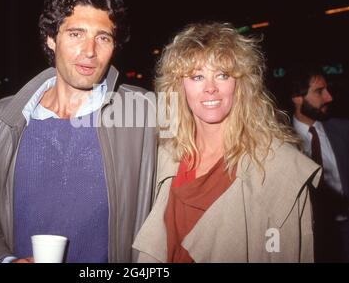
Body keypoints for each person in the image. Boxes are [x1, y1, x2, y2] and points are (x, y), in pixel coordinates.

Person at [0, 0, 157, 263]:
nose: (89, 50)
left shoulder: (144, 113)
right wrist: (3, 260)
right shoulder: (2, 119)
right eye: (76, 34)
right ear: (51, 39)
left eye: (103, 37)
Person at [132, 22, 322, 262]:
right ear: (179, 87)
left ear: (241, 84)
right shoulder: (164, 155)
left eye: (223, 75)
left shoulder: (280, 167)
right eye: (197, 76)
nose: (210, 88)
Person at [288, 65, 349, 262]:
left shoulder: (344, 130)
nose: (329, 97)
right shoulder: (281, 142)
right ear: (297, 97)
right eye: (319, 91)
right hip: (308, 239)